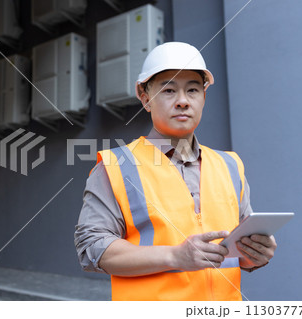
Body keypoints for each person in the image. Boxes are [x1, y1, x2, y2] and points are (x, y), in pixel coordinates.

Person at [74, 42, 277, 301]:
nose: (183, 101)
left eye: (193, 89)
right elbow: (92, 249)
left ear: (204, 97)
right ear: (145, 98)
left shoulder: (230, 165)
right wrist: (175, 256)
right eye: (169, 90)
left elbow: (239, 252)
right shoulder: (115, 166)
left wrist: (255, 254)